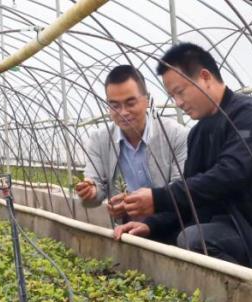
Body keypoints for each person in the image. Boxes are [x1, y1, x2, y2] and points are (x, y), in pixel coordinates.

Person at [121, 42, 252, 276]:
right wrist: (151, 224)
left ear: (205, 77)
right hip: (231, 227)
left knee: (193, 239)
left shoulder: (251, 116)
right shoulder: (199, 133)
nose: (178, 103)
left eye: (180, 92)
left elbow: (228, 175)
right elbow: (191, 196)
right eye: (172, 96)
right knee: (163, 236)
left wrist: (159, 198)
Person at [75, 65, 189, 242]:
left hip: (173, 231)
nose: (123, 112)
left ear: (147, 100)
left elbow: (182, 191)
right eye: (114, 105)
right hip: (127, 236)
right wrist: (90, 191)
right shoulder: (100, 140)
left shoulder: (175, 135)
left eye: (130, 103)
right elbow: (96, 188)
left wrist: (151, 207)